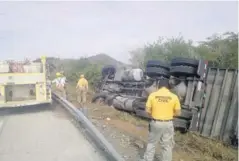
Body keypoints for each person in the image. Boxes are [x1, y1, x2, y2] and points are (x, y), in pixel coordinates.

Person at [140, 78, 181, 161]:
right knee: (167, 146)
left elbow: (147, 110)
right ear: (168, 87)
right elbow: (178, 113)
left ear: (159, 86)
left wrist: (155, 115)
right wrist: (169, 116)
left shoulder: (153, 95)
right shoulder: (174, 97)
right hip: (168, 123)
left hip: (156, 123)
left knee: (152, 143)